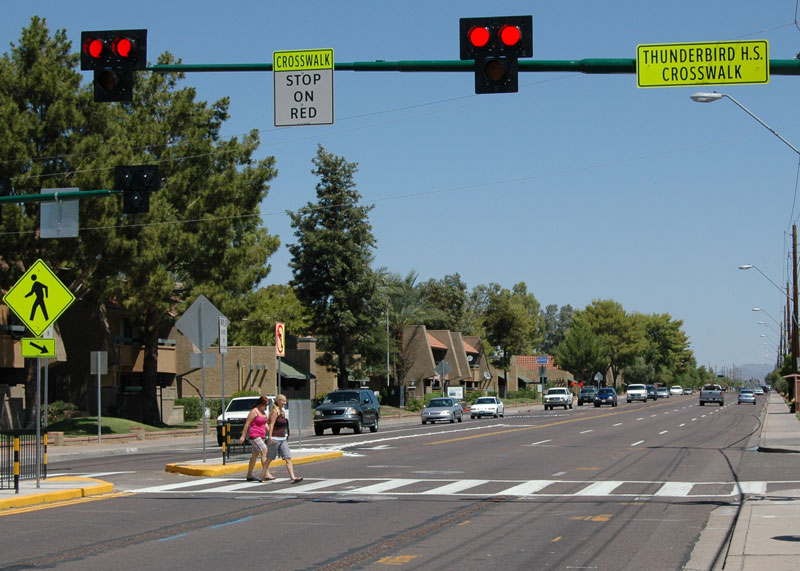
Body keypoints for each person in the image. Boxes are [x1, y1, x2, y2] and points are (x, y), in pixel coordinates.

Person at [264, 394, 303, 484]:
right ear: (278, 401)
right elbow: (271, 424)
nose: (285, 403)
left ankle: (293, 477)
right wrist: (269, 436)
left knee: (288, 457)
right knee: (270, 458)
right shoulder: (275, 411)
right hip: (275, 438)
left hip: (282, 438)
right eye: (283, 401)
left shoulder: (282, 412)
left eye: (285, 401)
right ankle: (263, 475)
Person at [238, 396, 275, 482]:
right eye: (265, 405)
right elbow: (247, 424)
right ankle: (266, 474)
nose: (266, 407)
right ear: (261, 404)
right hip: (254, 435)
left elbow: (265, 424)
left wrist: (270, 433)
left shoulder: (263, 412)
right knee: (264, 451)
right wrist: (243, 436)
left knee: (254, 455)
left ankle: (249, 475)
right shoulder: (254, 411)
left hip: (261, 435)